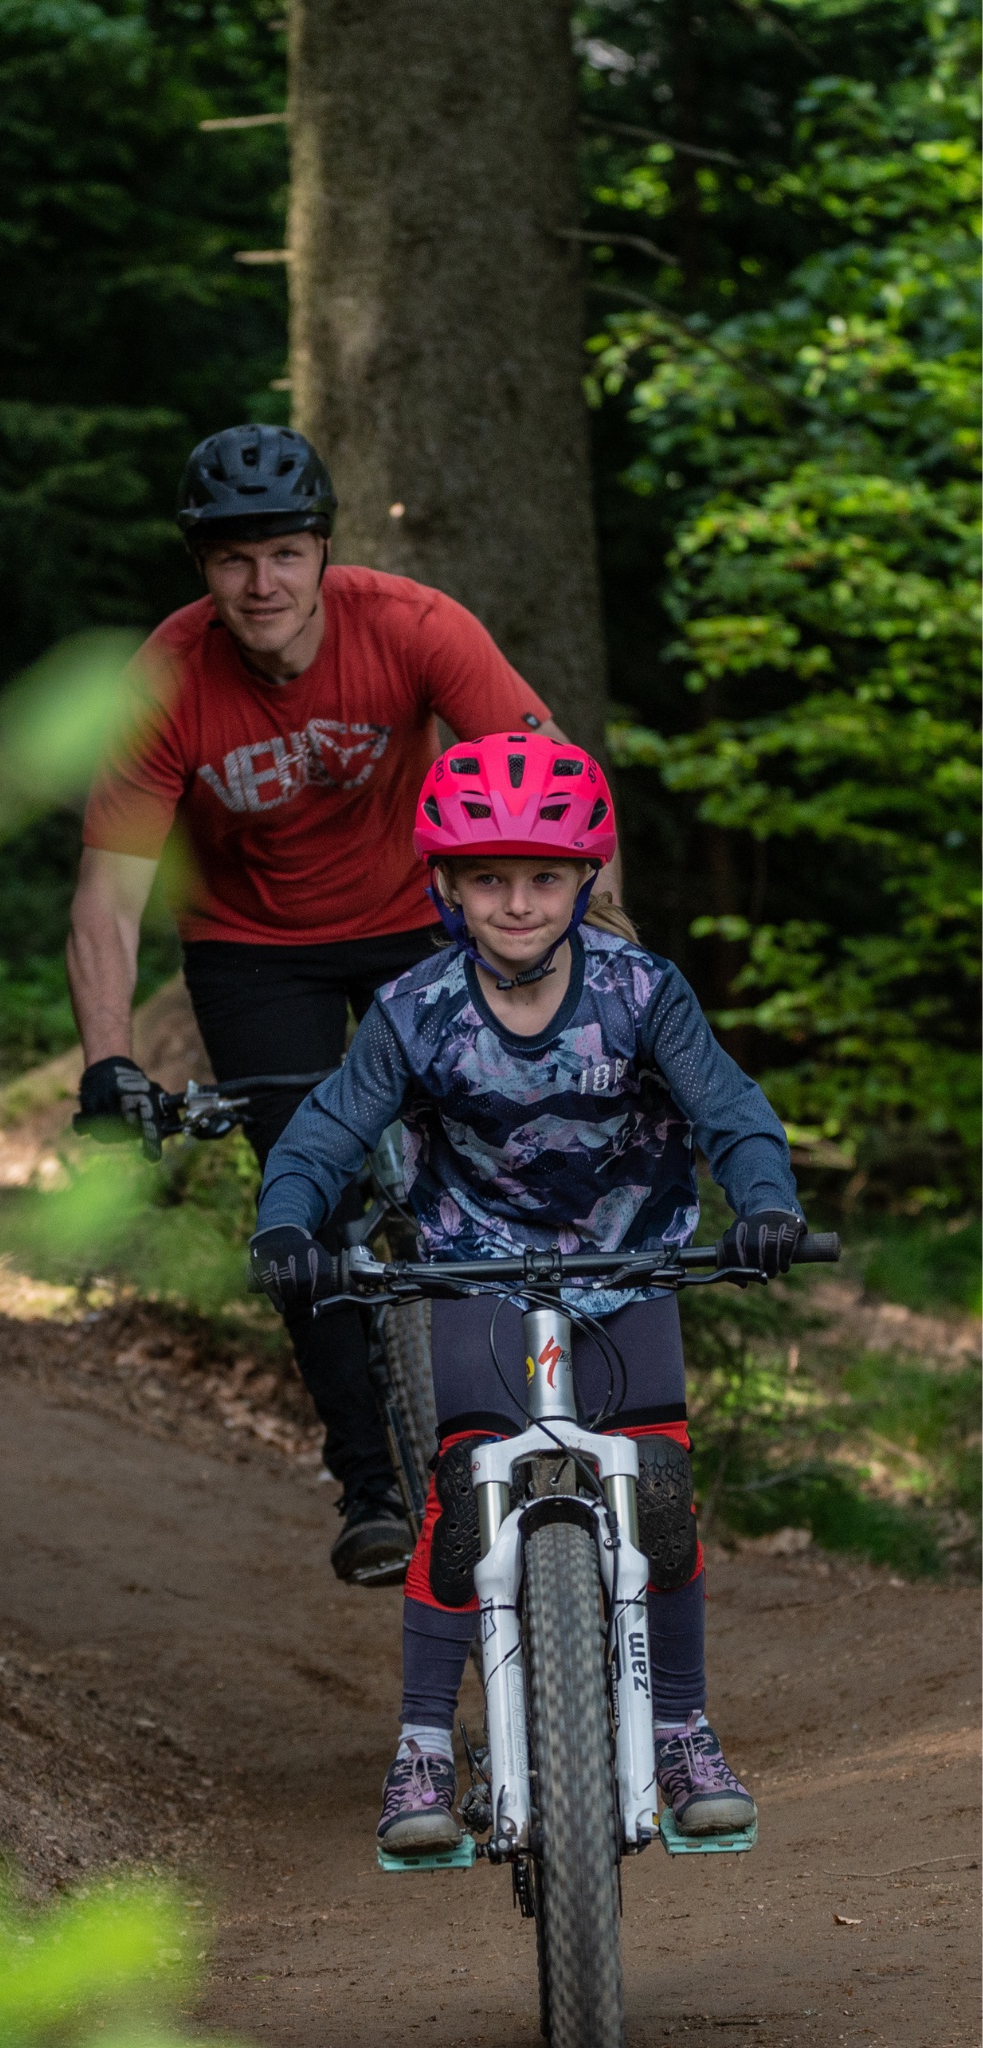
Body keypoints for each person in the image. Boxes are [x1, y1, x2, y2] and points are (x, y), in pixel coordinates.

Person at [68, 422, 616, 1587]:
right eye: (232, 560)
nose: (261, 583)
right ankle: (370, 1478)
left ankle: (562, 1411)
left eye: (283, 553)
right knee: (304, 1199)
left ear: (322, 551)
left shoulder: (414, 627)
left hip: (419, 920)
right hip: (253, 949)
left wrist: (618, 976)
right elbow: (107, 899)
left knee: (513, 1136)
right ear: (202, 569)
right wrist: (108, 1061)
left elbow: (551, 786)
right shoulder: (164, 682)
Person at [247, 735, 805, 1841]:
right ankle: (419, 1749)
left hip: (629, 1262)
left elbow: (730, 1110)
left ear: (584, 880)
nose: (517, 902)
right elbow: (323, 1131)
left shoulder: (643, 992)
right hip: (478, 1266)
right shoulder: (415, 1009)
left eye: (543, 876)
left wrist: (767, 1203)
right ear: (445, 885)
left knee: (662, 1501)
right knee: (464, 1499)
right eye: (489, 878)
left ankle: (681, 1730)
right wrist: (285, 1221)